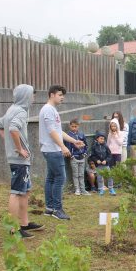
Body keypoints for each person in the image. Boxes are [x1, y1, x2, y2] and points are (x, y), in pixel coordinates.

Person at [0, 84, 44, 239]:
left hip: (19, 159)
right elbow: (13, 129)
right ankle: (13, 228)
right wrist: (19, 148)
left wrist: (8, 142)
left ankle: (24, 223)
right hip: (19, 159)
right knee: (16, 192)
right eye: (31, 94)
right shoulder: (20, 112)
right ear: (25, 96)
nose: (33, 97)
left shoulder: (12, 109)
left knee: (25, 191)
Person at [39, 85, 84, 220]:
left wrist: (73, 141)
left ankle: (49, 208)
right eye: (59, 94)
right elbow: (51, 131)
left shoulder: (52, 110)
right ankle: (57, 210)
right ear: (52, 95)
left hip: (52, 149)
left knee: (51, 178)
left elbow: (58, 131)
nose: (62, 97)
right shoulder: (48, 110)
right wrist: (63, 147)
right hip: (52, 150)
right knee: (60, 178)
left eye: (63, 95)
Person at [65, 118, 90, 196]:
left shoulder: (81, 134)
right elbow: (67, 146)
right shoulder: (68, 135)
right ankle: (77, 189)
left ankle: (83, 189)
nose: (74, 128)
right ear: (70, 126)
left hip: (82, 156)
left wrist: (85, 153)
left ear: (78, 126)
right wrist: (71, 156)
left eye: (75, 126)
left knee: (81, 174)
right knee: (75, 174)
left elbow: (86, 144)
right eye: (72, 126)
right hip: (74, 157)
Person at [89, 131, 116, 196]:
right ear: (97, 139)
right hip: (98, 166)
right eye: (101, 138)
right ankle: (101, 189)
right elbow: (92, 156)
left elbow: (109, 155)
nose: (102, 140)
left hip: (106, 165)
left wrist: (106, 161)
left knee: (110, 176)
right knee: (99, 178)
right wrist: (96, 160)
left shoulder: (106, 146)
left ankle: (111, 189)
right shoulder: (94, 147)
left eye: (103, 139)